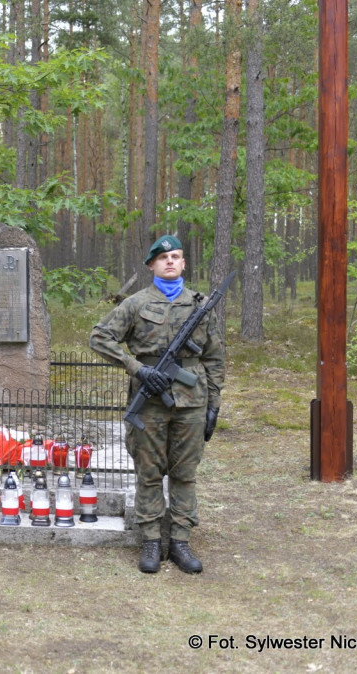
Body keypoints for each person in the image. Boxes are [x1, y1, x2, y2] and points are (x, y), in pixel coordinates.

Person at [89, 235, 225, 574]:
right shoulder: (135, 304)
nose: (169, 261)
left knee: (185, 473)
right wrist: (137, 368)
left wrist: (214, 403)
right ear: (151, 265)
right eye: (163, 257)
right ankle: (150, 540)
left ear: (183, 264)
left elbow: (214, 356)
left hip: (192, 400)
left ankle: (180, 542)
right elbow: (99, 337)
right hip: (149, 399)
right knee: (148, 472)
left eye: (176, 256)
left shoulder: (200, 304)